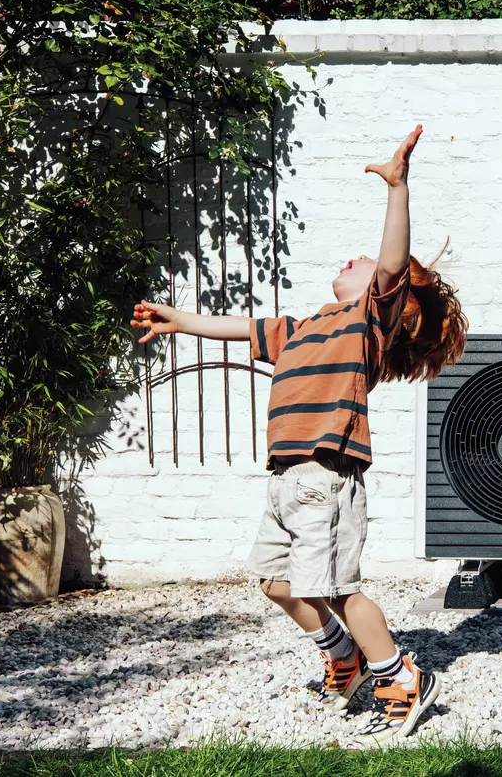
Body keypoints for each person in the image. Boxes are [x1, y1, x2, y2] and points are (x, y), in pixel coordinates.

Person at [130, 125, 467, 745]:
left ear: (384, 294)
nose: (355, 261)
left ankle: (400, 677)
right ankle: (346, 656)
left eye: (363, 265)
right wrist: (178, 320)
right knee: (275, 581)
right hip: (285, 477)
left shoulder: (367, 320)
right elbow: (237, 326)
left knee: (338, 588)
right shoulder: (302, 326)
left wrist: (399, 189)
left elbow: (392, 258)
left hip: (324, 475)